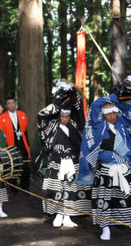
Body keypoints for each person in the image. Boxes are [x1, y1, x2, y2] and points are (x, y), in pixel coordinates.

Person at [76, 75, 131, 240]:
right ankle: (106, 229)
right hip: (105, 169)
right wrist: (112, 97)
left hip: (124, 166)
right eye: (108, 113)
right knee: (104, 200)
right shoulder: (98, 127)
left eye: (114, 112)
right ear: (103, 114)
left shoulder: (122, 123)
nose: (112, 116)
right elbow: (96, 104)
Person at [38, 80, 91, 228]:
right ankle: (58, 214)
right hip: (57, 162)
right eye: (62, 116)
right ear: (58, 115)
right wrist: (58, 103)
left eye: (67, 116)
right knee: (57, 189)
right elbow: (41, 115)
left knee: (71, 189)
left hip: (72, 161)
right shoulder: (51, 125)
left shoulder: (74, 125)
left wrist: (72, 93)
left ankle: (67, 215)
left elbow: (79, 112)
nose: (64, 119)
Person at [0, 97, 31, 194]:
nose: (11, 105)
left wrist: (28, 145)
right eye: (9, 103)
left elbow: (26, 132)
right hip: (10, 145)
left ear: (15, 103)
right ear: (6, 106)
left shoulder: (22, 115)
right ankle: (13, 188)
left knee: (25, 167)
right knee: (12, 166)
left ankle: (25, 187)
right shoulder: (2, 118)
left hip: (22, 144)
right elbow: (1, 135)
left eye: (13, 103)